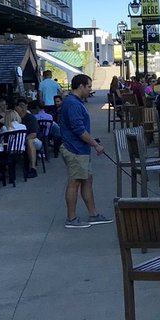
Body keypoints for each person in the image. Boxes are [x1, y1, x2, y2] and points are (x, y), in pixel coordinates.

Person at [57, 73, 110, 229]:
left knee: (86, 180)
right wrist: (95, 144)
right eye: (88, 86)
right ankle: (71, 218)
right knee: (74, 182)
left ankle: (93, 214)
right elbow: (78, 129)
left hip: (80, 149)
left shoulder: (73, 102)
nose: (90, 90)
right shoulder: (73, 103)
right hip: (74, 149)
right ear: (81, 86)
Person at [13, 99, 42, 177]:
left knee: (30, 141)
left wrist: (22, 139)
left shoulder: (30, 118)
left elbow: (33, 134)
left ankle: (33, 168)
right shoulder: (14, 119)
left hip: (35, 140)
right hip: (19, 141)